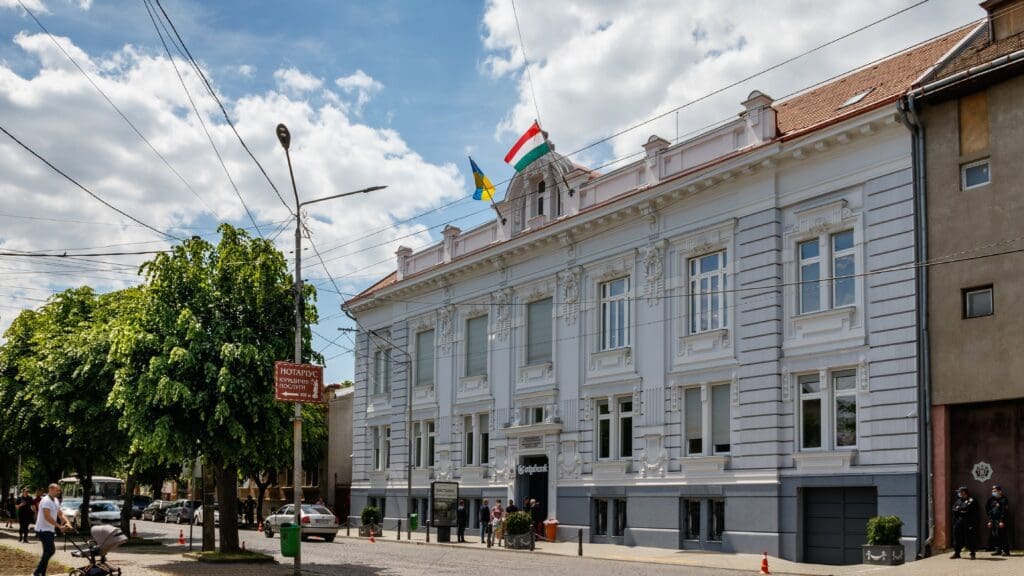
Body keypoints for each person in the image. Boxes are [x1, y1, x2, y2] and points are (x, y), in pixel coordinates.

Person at [34, 483, 72, 576]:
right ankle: (37, 572)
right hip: (42, 529)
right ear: (50, 490)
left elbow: (60, 513)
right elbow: (47, 517)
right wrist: (59, 526)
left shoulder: (55, 500)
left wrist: (67, 522)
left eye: (59, 490)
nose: (59, 492)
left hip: (50, 530)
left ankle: (42, 573)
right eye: (57, 490)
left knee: (47, 552)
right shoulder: (46, 501)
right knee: (51, 550)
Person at [951, 486, 978, 560]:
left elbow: (967, 510)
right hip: (958, 522)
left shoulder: (971, 500)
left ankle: (972, 554)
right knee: (957, 538)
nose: (958, 494)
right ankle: (957, 553)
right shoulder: (958, 500)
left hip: (968, 522)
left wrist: (959, 509)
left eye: (959, 492)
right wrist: (960, 510)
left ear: (964, 492)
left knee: (970, 538)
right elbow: (953, 509)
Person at [986, 484, 1010, 556]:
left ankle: (1006, 551)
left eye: (995, 491)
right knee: (995, 535)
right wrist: (990, 520)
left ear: (1000, 491)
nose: (993, 492)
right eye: (993, 490)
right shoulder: (991, 499)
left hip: (1000, 521)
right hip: (993, 520)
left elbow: (1004, 511)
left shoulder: (1004, 500)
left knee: (1002, 535)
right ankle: (998, 550)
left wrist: (1001, 521)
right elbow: (988, 509)